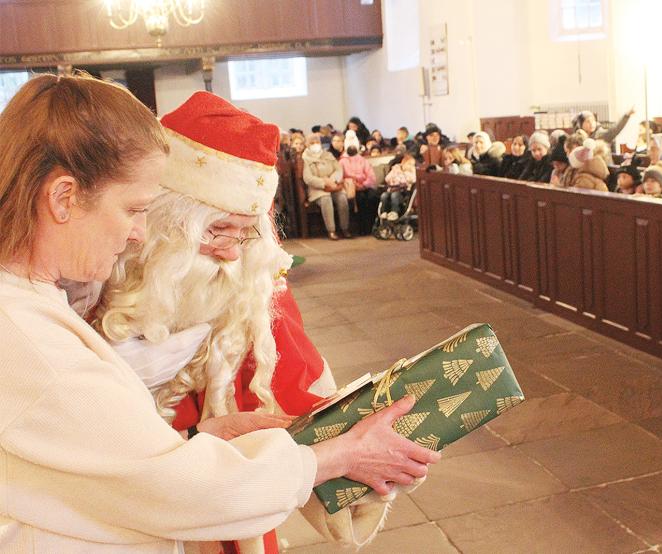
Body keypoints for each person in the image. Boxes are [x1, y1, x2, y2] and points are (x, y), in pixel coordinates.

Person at [0, 74, 440, 553]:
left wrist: (194, 436)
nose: (139, 234)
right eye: (134, 209)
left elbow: (98, 460)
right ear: (64, 198)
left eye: (243, 234)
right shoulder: (32, 334)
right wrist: (336, 458)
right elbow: (173, 488)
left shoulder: (246, 286)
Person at [302, 133, 350, 240]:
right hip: (318, 189)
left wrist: (333, 180)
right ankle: (331, 230)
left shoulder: (328, 155)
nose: (315, 145)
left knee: (342, 197)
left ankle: (345, 228)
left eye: (317, 142)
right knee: (326, 199)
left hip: (333, 185)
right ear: (307, 145)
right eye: (312, 143)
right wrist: (324, 182)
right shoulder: (305, 158)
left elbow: (338, 169)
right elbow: (308, 178)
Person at [340, 133, 380, 235]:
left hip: (365, 186)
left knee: (373, 196)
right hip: (352, 188)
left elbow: (371, 176)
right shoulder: (342, 162)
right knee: (360, 199)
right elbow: (342, 176)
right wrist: (355, 184)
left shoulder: (363, 160)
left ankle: (372, 226)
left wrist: (364, 185)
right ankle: (362, 228)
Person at [381, 152, 416, 221]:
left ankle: (395, 212)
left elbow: (411, 180)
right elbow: (387, 179)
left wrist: (400, 177)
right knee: (384, 195)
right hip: (392, 189)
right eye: (409, 164)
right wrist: (395, 175)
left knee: (395, 195)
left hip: (403, 192)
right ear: (403, 163)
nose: (410, 166)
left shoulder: (411, 173)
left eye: (412, 165)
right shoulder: (395, 169)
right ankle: (384, 211)